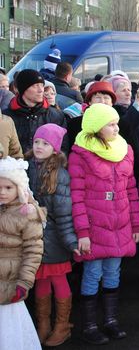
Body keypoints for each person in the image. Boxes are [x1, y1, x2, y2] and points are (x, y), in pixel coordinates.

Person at [69, 103, 139, 345]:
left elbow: (132, 190)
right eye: (111, 124)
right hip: (93, 225)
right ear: (97, 127)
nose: (116, 127)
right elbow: (76, 196)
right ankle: (90, 325)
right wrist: (82, 232)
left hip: (120, 222)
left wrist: (136, 225)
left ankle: (111, 320)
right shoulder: (80, 154)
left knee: (113, 273)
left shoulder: (125, 149)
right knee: (92, 274)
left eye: (116, 123)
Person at [27, 124, 78, 346]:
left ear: (55, 149)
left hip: (55, 238)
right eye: (37, 142)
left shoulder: (60, 174)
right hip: (34, 238)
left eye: (45, 144)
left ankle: (62, 325)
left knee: (57, 279)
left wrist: (70, 242)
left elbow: (64, 214)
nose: (39, 146)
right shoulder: (27, 168)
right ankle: (43, 324)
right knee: (41, 281)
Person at [0, 155, 46, 350]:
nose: (2, 192)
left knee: (11, 330)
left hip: (12, 282)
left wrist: (24, 282)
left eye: (8, 187)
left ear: (19, 187)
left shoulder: (26, 214)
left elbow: (33, 251)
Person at [3, 69, 67, 154]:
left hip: (47, 166)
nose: (41, 90)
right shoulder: (6, 117)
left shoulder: (56, 116)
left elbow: (63, 149)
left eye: (42, 85)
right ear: (23, 89)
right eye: (35, 86)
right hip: (16, 166)